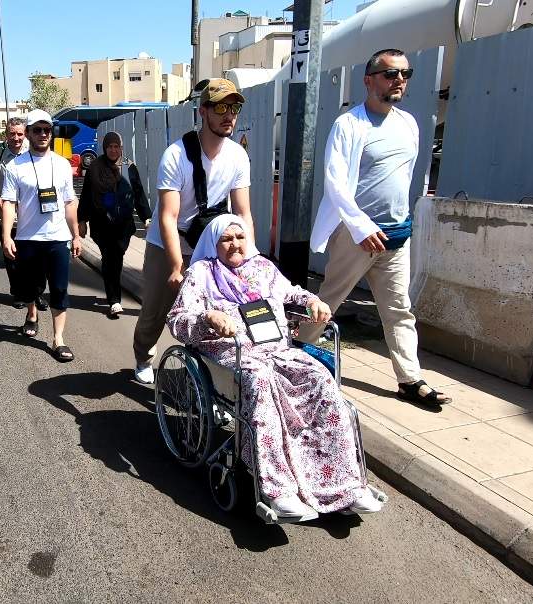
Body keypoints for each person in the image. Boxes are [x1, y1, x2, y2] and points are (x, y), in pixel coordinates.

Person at [167, 214, 384, 520]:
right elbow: (178, 320)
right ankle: (278, 489)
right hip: (232, 352)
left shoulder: (263, 268)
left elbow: (292, 293)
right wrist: (209, 318)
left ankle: (344, 484)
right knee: (260, 382)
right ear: (213, 244)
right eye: (226, 239)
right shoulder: (202, 273)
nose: (234, 244)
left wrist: (313, 302)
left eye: (239, 237)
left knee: (319, 378)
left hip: (277, 349)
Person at [296, 49, 451, 406]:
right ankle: (297, 355)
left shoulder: (408, 124)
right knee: (328, 301)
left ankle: (409, 379)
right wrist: (361, 226)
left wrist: (404, 218)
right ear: (369, 79)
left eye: (405, 73)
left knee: (398, 308)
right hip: (356, 235)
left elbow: (406, 177)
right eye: (389, 73)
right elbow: (335, 183)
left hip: (395, 234)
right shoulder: (350, 125)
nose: (399, 80)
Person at [133, 78, 255, 384]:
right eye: (222, 107)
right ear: (203, 111)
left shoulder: (237, 155)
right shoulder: (176, 155)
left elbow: (242, 213)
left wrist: (249, 257)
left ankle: (209, 376)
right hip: (168, 242)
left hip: (209, 242)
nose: (230, 115)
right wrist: (177, 266)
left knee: (217, 310)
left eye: (235, 107)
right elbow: (167, 216)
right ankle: (143, 355)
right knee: (155, 311)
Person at [1, 109, 82, 362]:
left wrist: (76, 235)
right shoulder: (15, 166)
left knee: (59, 288)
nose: (43, 134)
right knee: (31, 287)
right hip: (28, 238)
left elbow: (70, 202)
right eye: (37, 130)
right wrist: (6, 236)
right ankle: (32, 313)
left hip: (58, 238)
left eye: (47, 129)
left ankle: (58, 339)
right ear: (28, 134)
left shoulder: (61, 164)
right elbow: (8, 204)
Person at [78, 131, 152, 319]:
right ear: (105, 148)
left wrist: (147, 217)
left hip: (123, 225)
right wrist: (82, 220)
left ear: (121, 147)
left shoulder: (129, 167)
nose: (113, 150)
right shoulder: (95, 167)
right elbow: (86, 195)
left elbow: (139, 192)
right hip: (101, 224)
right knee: (110, 258)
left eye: (116, 146)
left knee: (116, 257)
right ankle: (114, 300)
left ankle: (113, 293)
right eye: (109, 146)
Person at [0, 117, 32, 308]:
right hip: (7, 215)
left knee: (33, 257)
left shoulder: (32, 153)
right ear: (6, 135)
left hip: (30, 215)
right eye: (12, 134)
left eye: (20, 134)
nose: (16, 138)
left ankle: (34, 293)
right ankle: (18, 292)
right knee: (11, 256)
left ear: (25, 134)